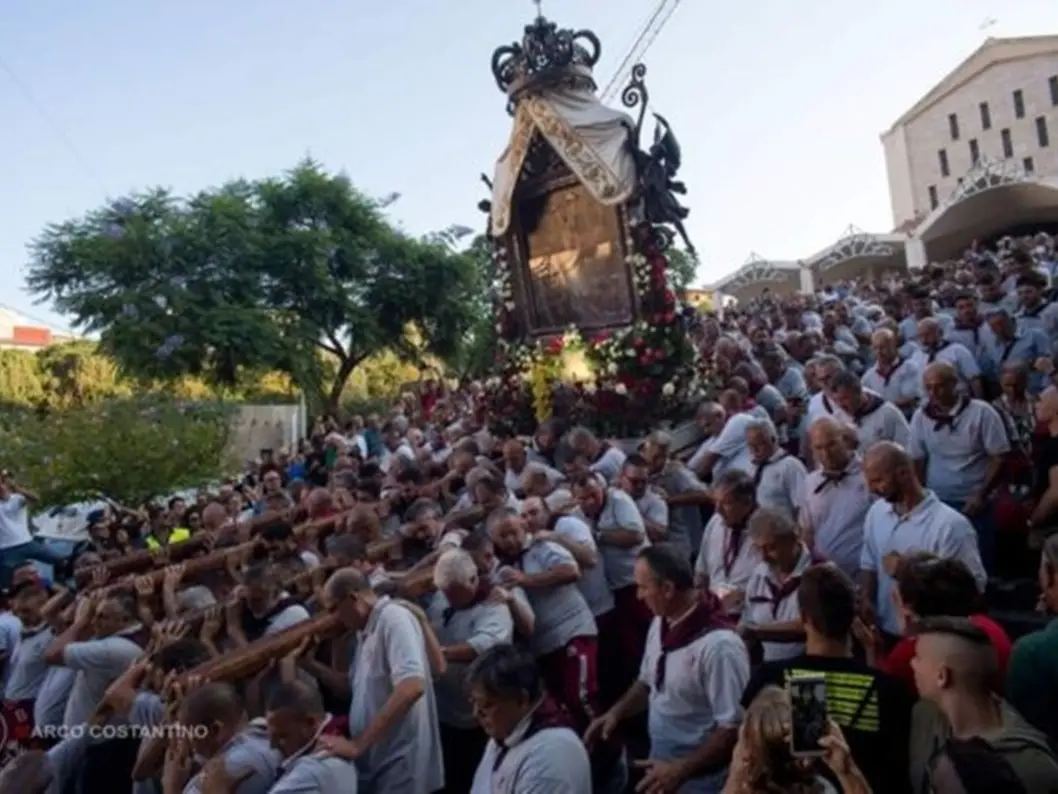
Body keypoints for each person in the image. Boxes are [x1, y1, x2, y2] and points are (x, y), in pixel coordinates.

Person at [586, 544, 748, 794]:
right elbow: (647, 682)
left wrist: (681, 770)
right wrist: (615, 714)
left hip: (700, 780)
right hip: (662, 767)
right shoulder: (660, 622)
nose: (638, 596)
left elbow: (731, 728)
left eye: (643, 587)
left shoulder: (720, 648)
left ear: (668, 589)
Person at [742, 564, 913, 794]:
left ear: (803, 617)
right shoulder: (888, 691)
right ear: (854, 616)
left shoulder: (772, 679)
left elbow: (748, 760)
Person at [322, 567, 444, 794]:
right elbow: (352, 689)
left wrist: (359, 744)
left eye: (333, 609)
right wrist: (307, 663)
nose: (333, 618)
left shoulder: (393, 618)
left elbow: (412, 686)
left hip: (401, 760)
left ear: (352, 598)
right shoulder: (365, 630)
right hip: (379, 759)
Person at [910, 617, 1058, 794]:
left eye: (918, 657)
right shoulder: (926, 715)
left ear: (942, 676)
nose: (912, 664)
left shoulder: (1031, 767)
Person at [466, 643, 591, 794]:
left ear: (521, 700)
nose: (476, 714)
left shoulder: (551, 756)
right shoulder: (507, 728)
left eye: (487, 705)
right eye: (474, 703)